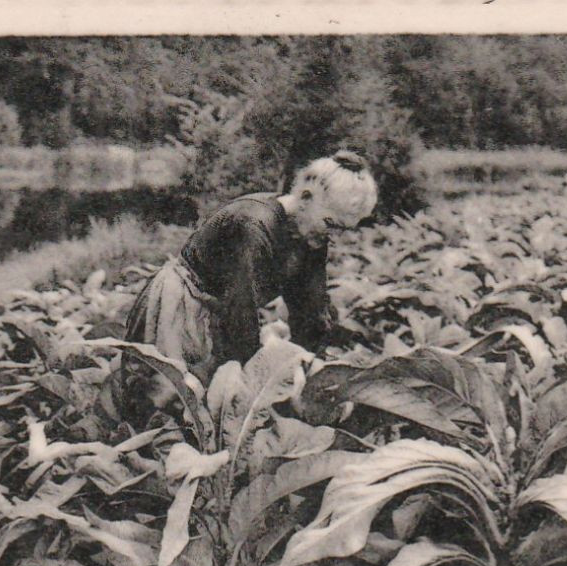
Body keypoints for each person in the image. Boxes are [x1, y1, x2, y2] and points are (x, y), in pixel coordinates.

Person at [124, 149, 379, 399]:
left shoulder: (310, 234)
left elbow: (310, 309)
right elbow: (240, 309)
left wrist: (313, 367)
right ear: (305, 197)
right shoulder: (253, 224)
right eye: (331, 224)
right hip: (182, 306)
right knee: (169, 394)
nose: (332, 236)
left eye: (342, 230)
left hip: (219, 313)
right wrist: (256, 377)